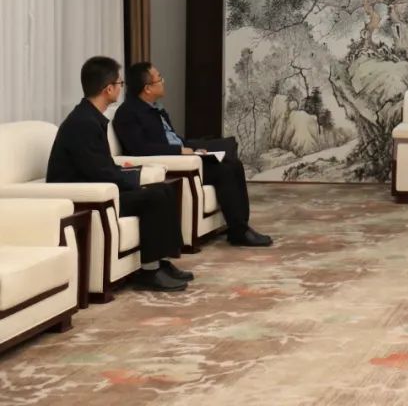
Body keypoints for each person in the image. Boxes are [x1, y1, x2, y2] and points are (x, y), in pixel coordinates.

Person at [47, 56, 191, 292]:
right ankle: (149, 271)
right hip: (86, 198)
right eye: (119, 83)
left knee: (163, 190)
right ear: (108, 89)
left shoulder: (91, 117)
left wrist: (131, 175)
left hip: (98, 186)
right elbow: (98, 172)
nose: (121, 88)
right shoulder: (83, 123)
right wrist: (134, 180)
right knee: (154, 196)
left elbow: (100, 166)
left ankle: (161, 261)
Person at [113, 62, 272, 247]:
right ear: (147, 88)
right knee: (224, 172)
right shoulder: (128, 113)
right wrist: (179, 151)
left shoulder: (155, 108)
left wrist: (194, 149)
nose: (163, 82)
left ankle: (240, 226)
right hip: (173, 165)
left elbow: (173, 137)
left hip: (184, 157)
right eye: (159, 79)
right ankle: (239, 231)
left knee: (233, 164)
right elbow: (140, 149)